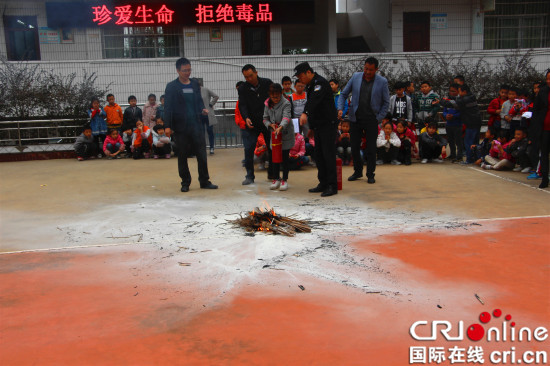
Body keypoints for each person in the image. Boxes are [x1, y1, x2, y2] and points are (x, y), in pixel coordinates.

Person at [163, 57, 218, 192]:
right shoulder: (171, 87)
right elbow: (168, 107)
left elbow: (198, 101)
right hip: (180, 127)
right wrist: (167, 126)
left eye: (189, 70)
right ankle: (185, 182)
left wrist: (203, 109)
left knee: (201, 154)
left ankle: (204, 181)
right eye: (184, 70)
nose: (187, 72)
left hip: (197, 125)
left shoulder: (194, 84)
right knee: (182, 155)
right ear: (177, 70)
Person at [338, 57, 390, 185]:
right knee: (355, 147)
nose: (367, 72)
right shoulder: (356, 77)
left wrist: (379, 118)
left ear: (376, 69)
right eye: (366, 68)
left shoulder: (382, 82)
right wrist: (340, 108)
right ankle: (357, 171)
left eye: (371, 70)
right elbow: (343, 94)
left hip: (372, 119)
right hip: (355, 118)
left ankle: (370, 174)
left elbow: (386, 102)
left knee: (371, 148)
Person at [295, 62, 339, 196]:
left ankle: (332, 185)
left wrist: (305, 113)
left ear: (308, 72)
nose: (300, 79)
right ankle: (323, 182)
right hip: (319, 126)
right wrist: (312, 127)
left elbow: (315, 101)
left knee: (328, 154)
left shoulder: (320, 83)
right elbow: (316, 109)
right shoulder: (311, 85)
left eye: (301, 76)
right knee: (319, 155)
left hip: (328, 125)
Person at [238, 64, 273, 185]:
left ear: (256, 73)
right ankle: (249, 175)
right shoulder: (243, 88)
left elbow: (275, 99)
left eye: (251, 76)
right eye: (246, 77)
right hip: (251, 123)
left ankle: (273, 173)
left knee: (271, 147)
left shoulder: (267, 83)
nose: (249, 79)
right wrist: (246, 117)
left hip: (267, 121)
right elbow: (242, 104)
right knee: (248, 148)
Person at [438, 84, 482, 164]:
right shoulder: (471, 97)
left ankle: (469, 159)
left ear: (464, 91)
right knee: (474, 142)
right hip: (475, 122)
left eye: (459, 91)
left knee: (468, 142)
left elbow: (452, 104)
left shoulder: (465, 99)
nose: (458, 93)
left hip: (470, 123)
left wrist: (440, 101)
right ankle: (475, 158)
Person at [263, 83, 294, 191]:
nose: (275, 99)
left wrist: (281, 127)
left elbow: (286, 117)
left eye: (277, 96)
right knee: (274, 157)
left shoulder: (286, 103)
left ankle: (284, 179)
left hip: (284, 133)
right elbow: (265, 118)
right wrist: (269, 125)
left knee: (285, 157)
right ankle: (276, 178)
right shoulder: (267, 103)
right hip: (274, 134)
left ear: (281, 93)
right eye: (272, 97)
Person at [531, 69, 550, 188]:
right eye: (547, 78)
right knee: (544, 153)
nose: (549, 81)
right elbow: (536, 110)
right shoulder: (542, 92)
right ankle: (544, 178)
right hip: (545, 128)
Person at [442, 83, 463, 162]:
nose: (451, 93)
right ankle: (452, 154)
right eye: (450, 91)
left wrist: (454, 116)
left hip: (457, 124)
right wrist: (446, 115)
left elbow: (461, 112)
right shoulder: (447, 100)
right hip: (449, 124)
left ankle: (459, 155)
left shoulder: (460, 100)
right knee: (450, 140)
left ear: (458, 91)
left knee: (458, 141)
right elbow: (444, 111)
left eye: (453, 91)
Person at [199, 81, 219, 154]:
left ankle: (211, 147)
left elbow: (216, 96)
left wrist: (211, 104)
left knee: (210, 131)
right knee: (201, 133)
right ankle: (202, 148)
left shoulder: (205, 90)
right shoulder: (193, 91)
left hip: (208, 114)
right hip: (199, 115)